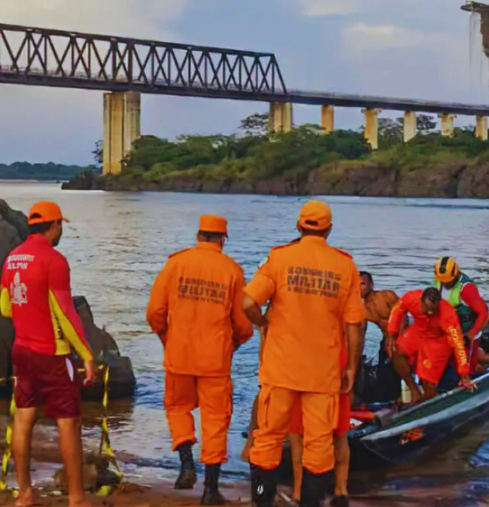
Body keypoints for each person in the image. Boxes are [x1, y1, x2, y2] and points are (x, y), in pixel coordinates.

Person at [242, 200, 365, 507]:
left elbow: (247, 304)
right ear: (329, 229)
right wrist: (350, 367)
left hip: (280, 369)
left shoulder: (279, 258)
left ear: (298, 226)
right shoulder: (344, 265)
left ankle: (261, 502)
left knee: (267, 440)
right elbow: (355, 323)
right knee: (319, 446)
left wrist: (264, 323)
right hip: (322, 374)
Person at [146, 215, 253, 505]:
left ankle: (186, 464)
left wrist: (168, 339)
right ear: (223, 239)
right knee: (215, 421)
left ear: (198, 235)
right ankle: (210, 490)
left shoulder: (176, 263)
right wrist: (233, 344)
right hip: (214, 360)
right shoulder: (232, 270)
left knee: (178, 407)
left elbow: (155, 312)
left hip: (178, 355)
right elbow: (243, 325)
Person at [0, 201, 98, 507]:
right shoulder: (54, 260)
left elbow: (5, 307)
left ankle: (25, 493)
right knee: (68, 422)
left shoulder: (12, 257)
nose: (61, 231)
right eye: (60, 226)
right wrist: (87, 355)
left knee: (24, 419)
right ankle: (77, 497)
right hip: (52, 353)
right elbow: (66, 314)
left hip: (22, 349)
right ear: (54, 226)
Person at [286, 328, 353, 507]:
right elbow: (354, 329)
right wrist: (352, 367)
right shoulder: (341, 302)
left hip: (302, 364)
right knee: (339, 433)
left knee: (298, 435)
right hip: (334, 360)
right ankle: (340, 490)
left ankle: (299, 493)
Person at [386, 288, 474, 404]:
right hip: (419, 329)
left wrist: (464, 373)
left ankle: (422, 404)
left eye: (433, 309)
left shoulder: (448, 315)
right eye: (427, 308)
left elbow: (458, 344)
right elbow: (398, 310)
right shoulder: (411, 298)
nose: (430, 312)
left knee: (428, 382)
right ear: (421, 301)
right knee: (397, 352)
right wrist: (391, 333)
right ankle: (413, 389)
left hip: (437, 339)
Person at [433, 257, 489, 374]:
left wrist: (469, 336)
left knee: (466, 368)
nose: (445, 283)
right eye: (443, 281)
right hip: (449, 331)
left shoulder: (466, 289)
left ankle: (475, 371)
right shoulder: (438, 281)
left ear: (456, 274)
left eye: (448, 281)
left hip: (467, 332)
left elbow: (484, 314)